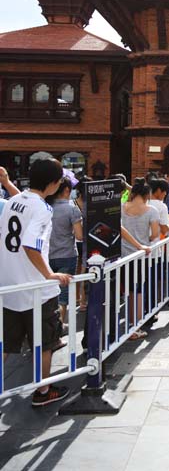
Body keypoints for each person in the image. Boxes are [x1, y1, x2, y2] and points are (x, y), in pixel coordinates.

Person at [0, 158, 72, 407]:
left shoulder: (13, 201)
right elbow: (31, 244)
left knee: (7, 343)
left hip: (10, 285)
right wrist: (49, 274)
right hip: (36, 288)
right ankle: (43, 391)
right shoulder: (42, 209)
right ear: (53, 183)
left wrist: (8, 183)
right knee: (45, 342)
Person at [120, 178, 160, 338]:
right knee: (137, 290)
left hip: (123, 254)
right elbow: (155, 234)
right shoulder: (151, 211)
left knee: (128, 289)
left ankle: (131, 324)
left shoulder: (122, 208)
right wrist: (146, 241)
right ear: (147, 194)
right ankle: (135, 326)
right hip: (141, 254)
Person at [49, 177, 83, 328]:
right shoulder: (72, 209)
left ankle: (48, 327)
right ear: (67, 190)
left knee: (48, 295)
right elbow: (79, 236)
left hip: (47, 256)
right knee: (63, 295)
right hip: (67, 254)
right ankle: (59, 327)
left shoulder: (46, 207)